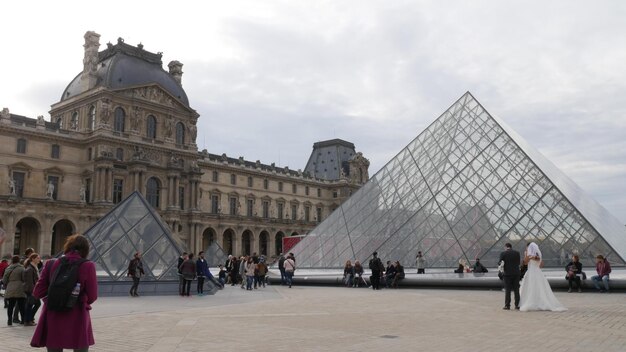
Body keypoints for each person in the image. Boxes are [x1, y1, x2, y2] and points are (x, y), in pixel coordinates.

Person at [30, 234, 98, 351]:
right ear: (85, 249)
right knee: (80, 347)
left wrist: (52, 297)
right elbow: (93, 296)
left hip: (53, 313)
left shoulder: (50, 263)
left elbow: (37, 292)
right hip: (78, 314)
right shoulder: (88, 265)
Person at [519, 242, 566, 312]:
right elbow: (539, 265)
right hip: (537, 272)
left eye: (527, 247)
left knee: (532, 287)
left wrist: (528, 256)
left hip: (532, 272)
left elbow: (526, 262)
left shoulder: (531, 254)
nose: (526, 249)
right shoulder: (535, 254)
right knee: (539, 288)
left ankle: (533, 302)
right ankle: (537, 301)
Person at [3, 255, 25, 325]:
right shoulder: (21, 268)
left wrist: (7, 285)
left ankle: (9, 320)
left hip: (10, 287)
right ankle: (23, 320)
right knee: (21, 305)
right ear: (19, 260)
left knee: (10, 306)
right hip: (20, 288)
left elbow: (4, 279)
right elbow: (24, 278)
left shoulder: (8, 268)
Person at [499, 243, 521, 310]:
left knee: (508, 290)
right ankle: (517, 305)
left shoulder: (503, 253)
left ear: (506, 247)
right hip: (516, 273)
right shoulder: (517, 253)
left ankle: (507, 305)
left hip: (507, 274)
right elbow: (518, 263)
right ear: (511, 247)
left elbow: (500, 263)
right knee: (516, 290)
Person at [23, 253, 42, 326]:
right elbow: (30, 282)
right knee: (30, 305)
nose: (39, 259)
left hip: (33, 289)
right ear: (32, 259)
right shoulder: (30, 269)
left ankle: (29, 319)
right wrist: (33, 291)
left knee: (33, 304)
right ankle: (28, 320)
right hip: (31, 290)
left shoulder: (34, 267)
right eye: (37, 258)